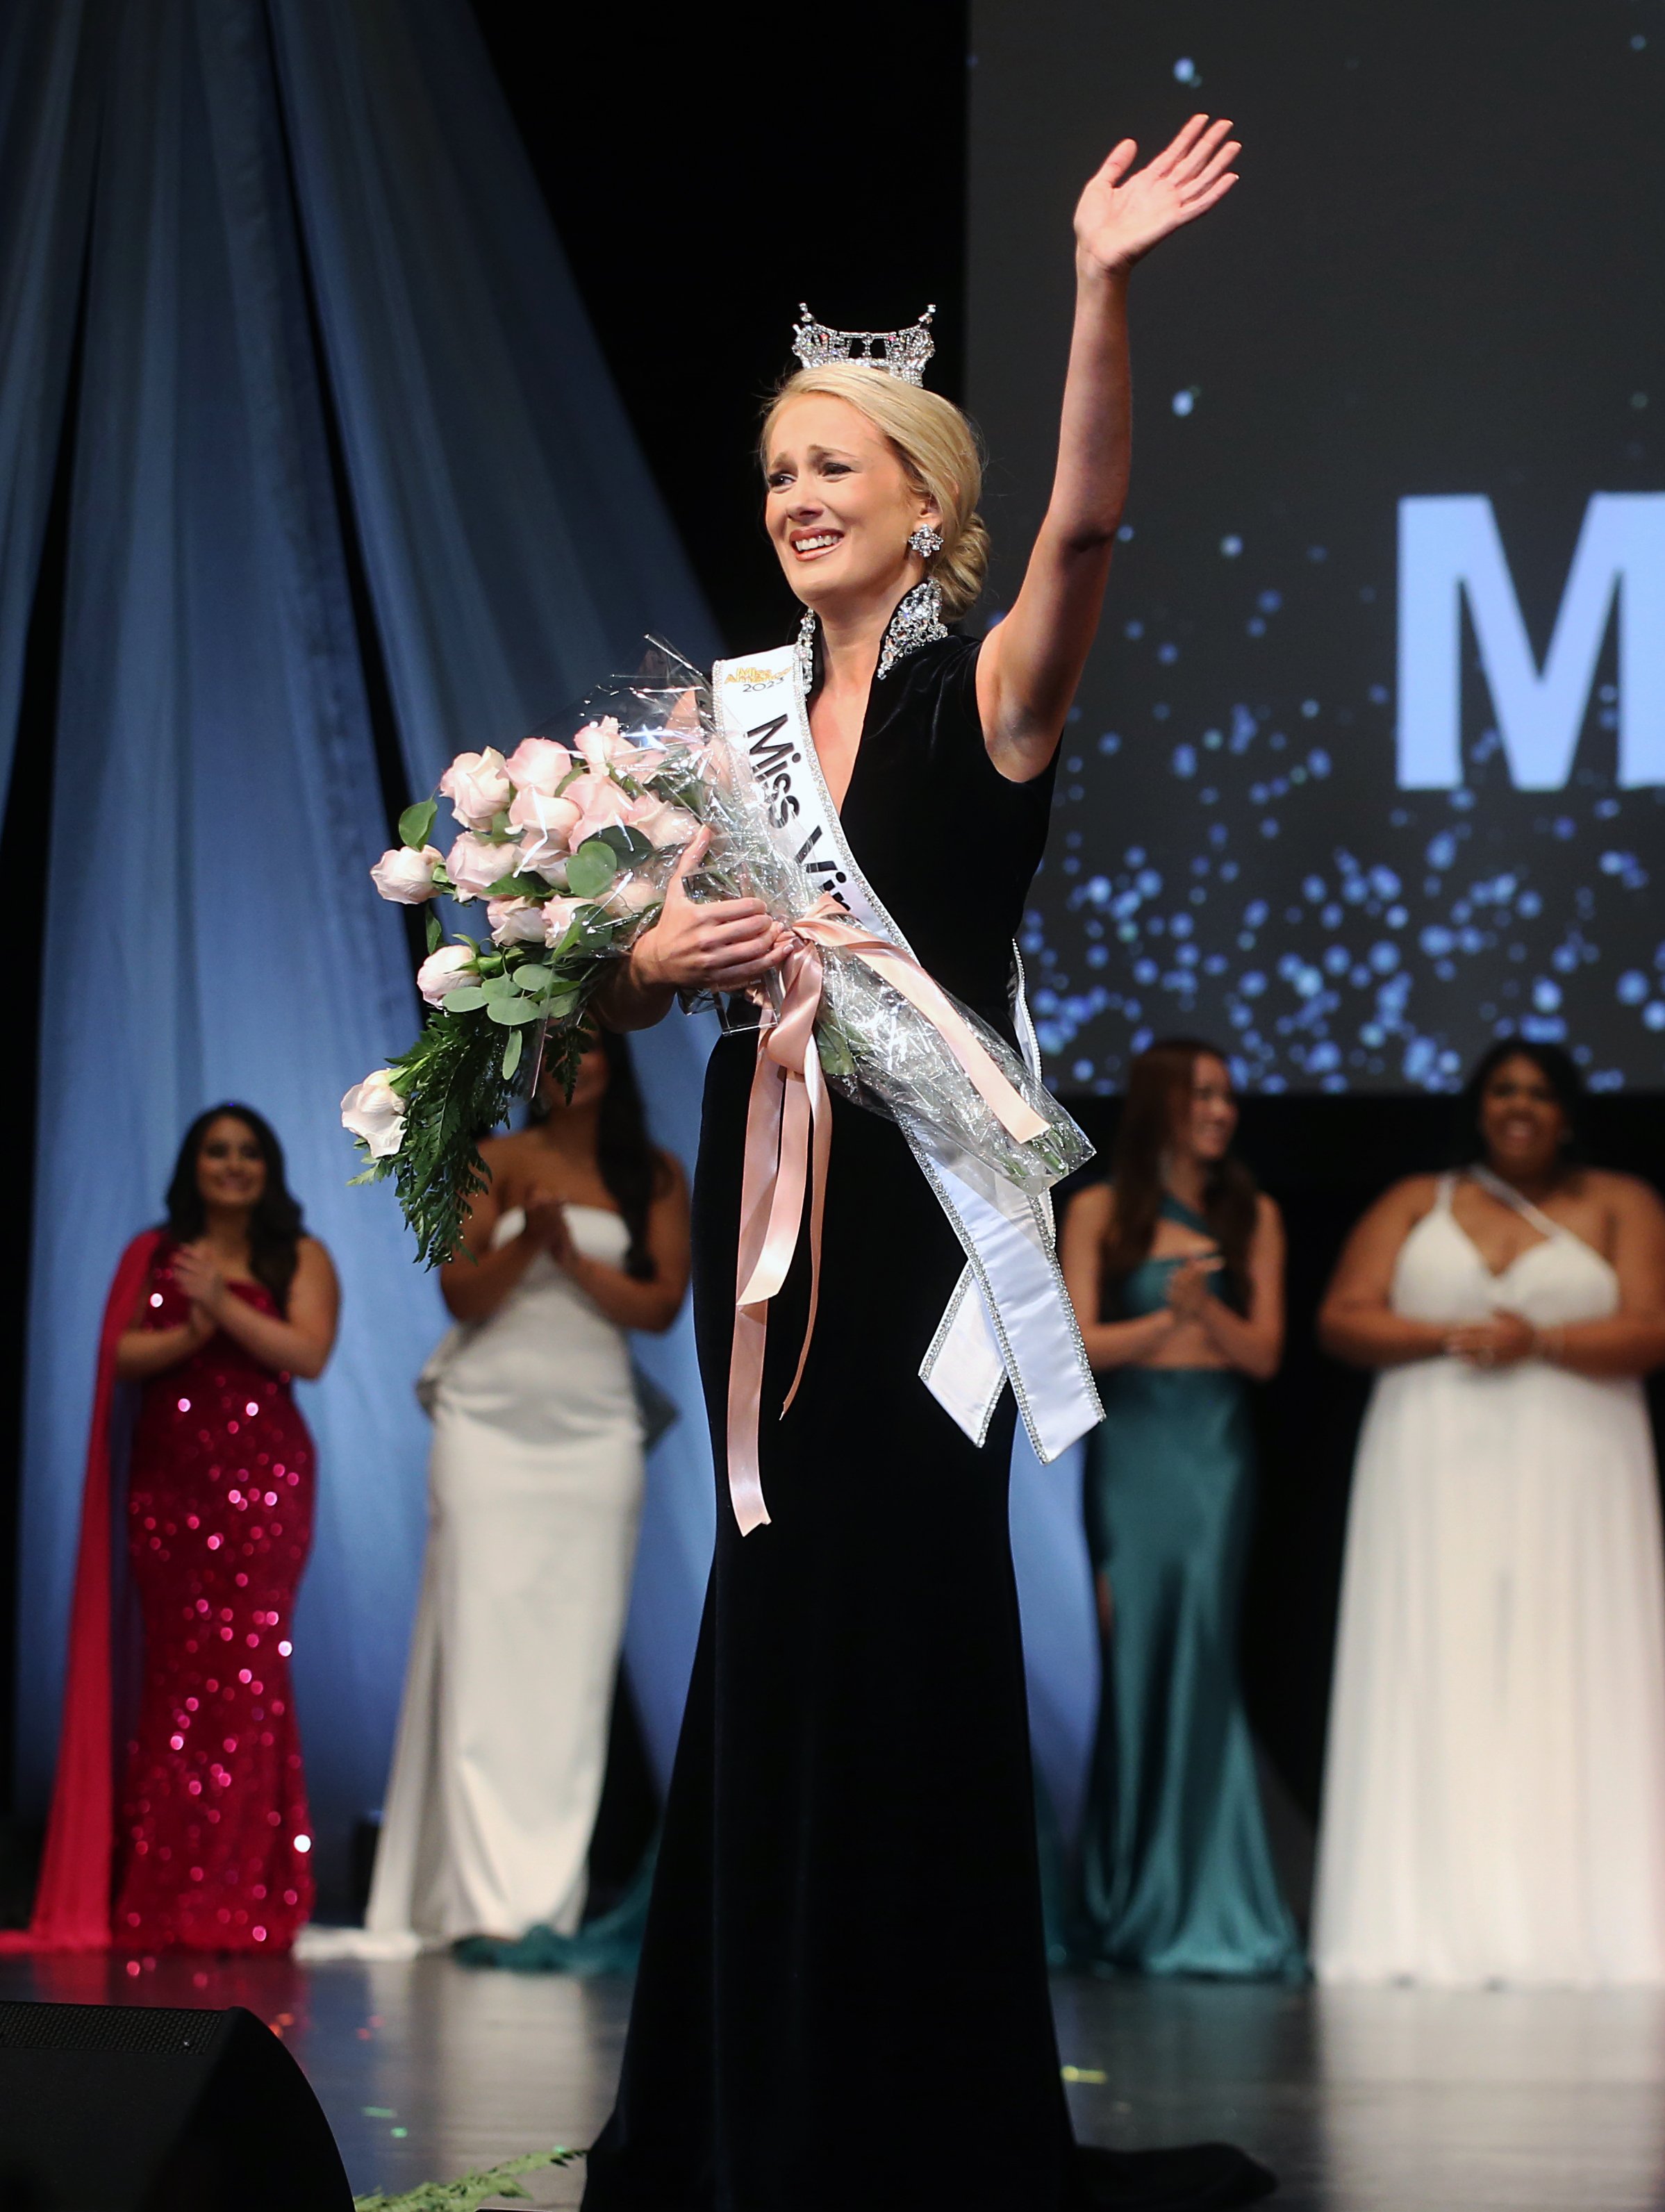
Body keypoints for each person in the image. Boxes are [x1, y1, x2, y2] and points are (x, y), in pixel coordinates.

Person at [587, 120, 1274, 2211]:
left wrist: (1097, 287)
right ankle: (748, 2080)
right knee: (774, 1604)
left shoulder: (991, 694)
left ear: (923, 502)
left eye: (835, 468)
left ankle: (907, 2098)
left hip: (921, 1232)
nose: (795, 496)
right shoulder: (726, 731)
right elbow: (613, 995)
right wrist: (648, 948)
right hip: (769, 1202)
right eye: (779, 468)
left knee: (901, 1619)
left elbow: (1082, 533)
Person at [1312, 1040, 1665, 1984]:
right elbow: (1343, 1315)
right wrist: (1448, 1334)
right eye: (1503, 1090)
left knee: (1566, 1662)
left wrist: (1540, 1338)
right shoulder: (1413, 1201)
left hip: (1578, 1461)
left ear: (1567, 1113)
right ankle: (1423, 1922)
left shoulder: (1622, 1201)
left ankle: (1581, 1922)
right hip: (1429, 1460)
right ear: (1478, 1106)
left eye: (1539, 1094)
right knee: (1443, 1657)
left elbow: (1648, 1328)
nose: (1519, 1107)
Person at [366, 1031, 689, 1947]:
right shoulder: (494, 1159)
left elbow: (664, 1302)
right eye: (551, 1058)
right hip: (489, 1425)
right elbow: (462, 1295)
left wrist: (573, 1257)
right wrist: (529, 1246)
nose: (567, 1071)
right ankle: (477, 1904)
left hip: (593, 1430)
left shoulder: (654, 1174)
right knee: (482, 1645)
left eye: (583, 1054)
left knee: (571, 1665)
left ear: (614, 1067)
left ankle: (542, 1898)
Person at [17, 1106, 338, 1955]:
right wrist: (191, 1327)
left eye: (246, 1151)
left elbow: (307, 1354)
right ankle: (165, 1893)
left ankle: (244, 1894)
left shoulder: (298, 1256)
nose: (232, 1165)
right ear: (193, 1166)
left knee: (249, 1683)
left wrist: (217, 1309)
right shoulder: (152, 1254)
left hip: (266, 1492)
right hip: (168, 1495)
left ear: (267, 1166)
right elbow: (115, 1358)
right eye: (215, 1151)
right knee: (175, 1686)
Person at [1061, 1040, 1302, 1981]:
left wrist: (1207, 1313)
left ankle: (1207, 1896)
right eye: (1203, 1094)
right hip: (1134, 1448)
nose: (1220, 1110)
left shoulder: (1250, 1214)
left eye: (1227, 1096)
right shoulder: (1096, 1211)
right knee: (1132, 1657)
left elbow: (1267, 1353)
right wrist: (1169, 1317)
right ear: (1161, 1102)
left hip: (1213, 1455)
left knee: (1199, 1653)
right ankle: (1129, 1893)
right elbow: (1079, 1342)